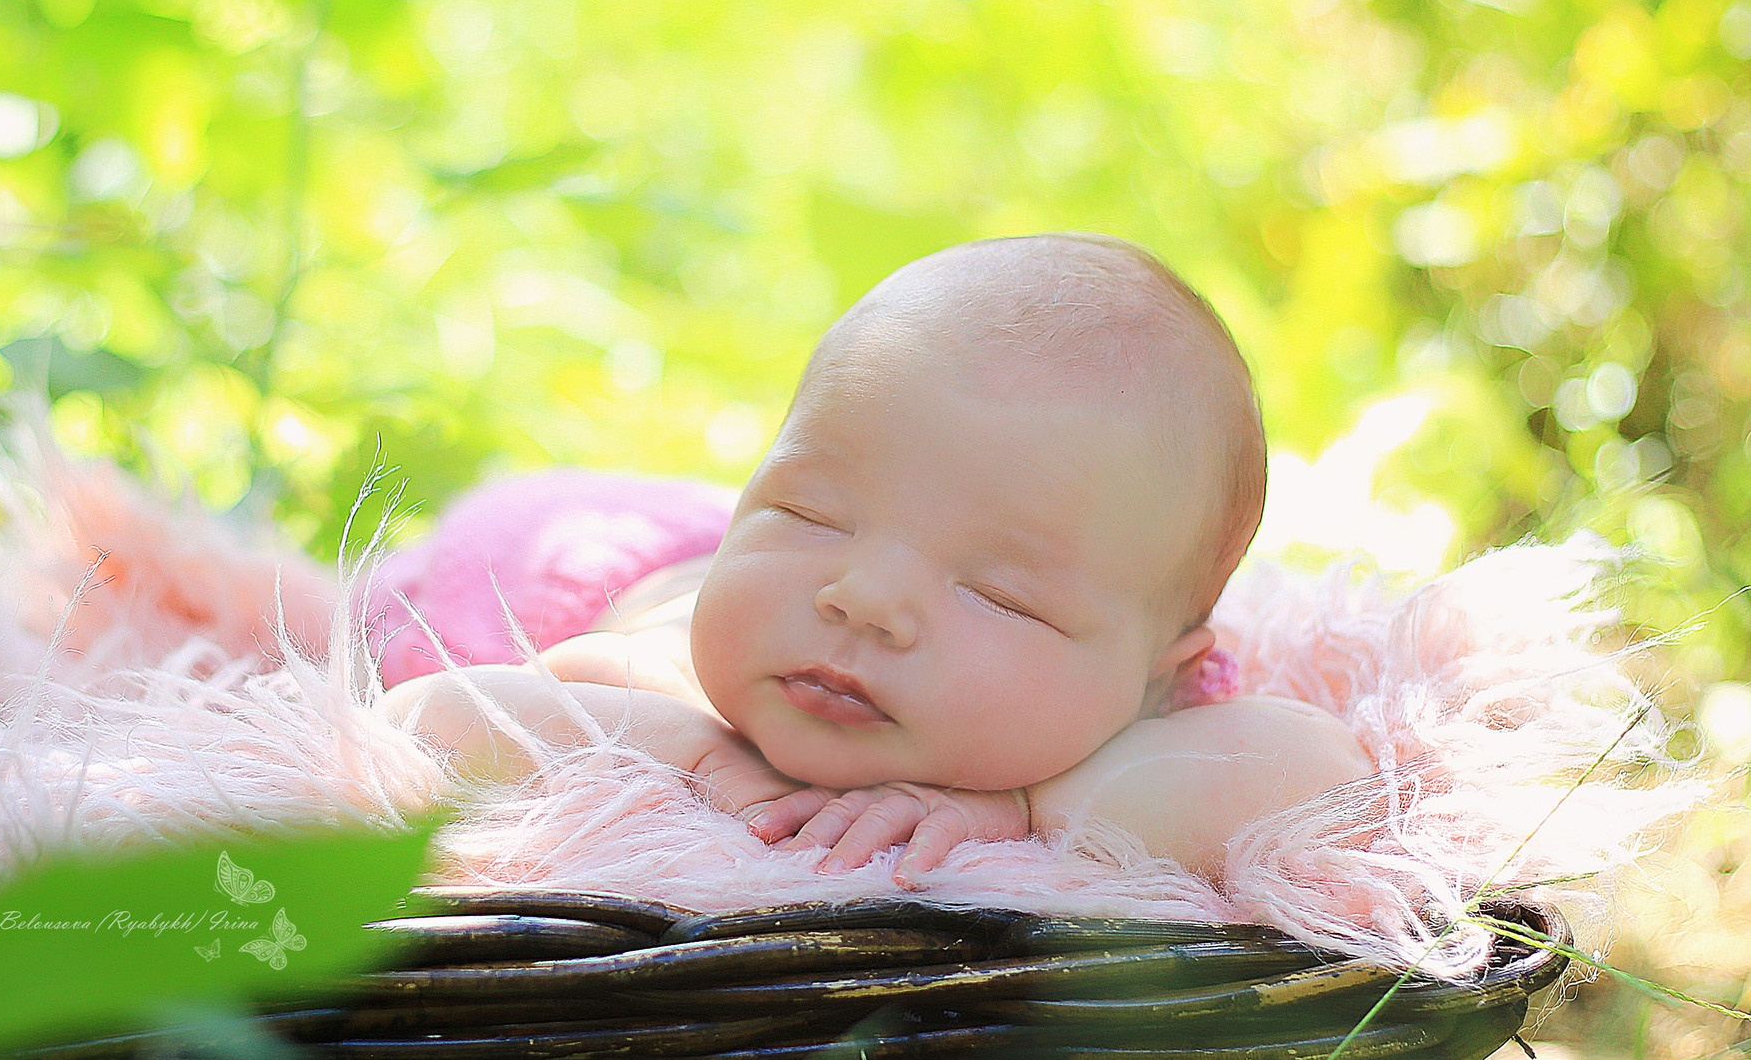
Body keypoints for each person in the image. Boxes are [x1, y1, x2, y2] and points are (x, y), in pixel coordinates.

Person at [372, 233, 1374, 882]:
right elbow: (426, 722)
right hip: (567, 551)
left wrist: (1020, 807)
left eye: (999, 593)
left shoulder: (1148, 723)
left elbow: (1331, 777)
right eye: (808, 512)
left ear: (1159, 672)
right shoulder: (671, 671)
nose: (863, 595)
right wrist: (698, 757)